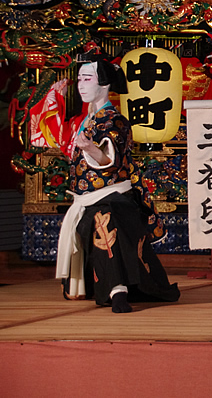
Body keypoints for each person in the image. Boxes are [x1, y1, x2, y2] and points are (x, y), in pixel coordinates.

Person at [30, 53, 180, 313]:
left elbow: (109, 156)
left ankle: (117, 290)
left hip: (113, 195)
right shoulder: (81, 121)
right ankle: (115, 287)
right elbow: (51, 135)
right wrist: (54, 98)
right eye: (79, 79)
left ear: (105, 84)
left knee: (104, 219)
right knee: (99, 219)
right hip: (87, 198)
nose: (81, 85)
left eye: (88, 78)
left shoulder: (115, 120)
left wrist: (90, 148)